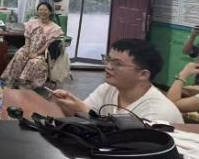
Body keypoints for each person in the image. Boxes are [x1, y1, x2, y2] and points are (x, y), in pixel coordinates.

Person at [54, 39, 183, 123]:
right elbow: (82, 121)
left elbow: (128, 147)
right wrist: (71, 108)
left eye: (118, 64)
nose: (108, 66)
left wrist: (85, 113)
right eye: (108, 59)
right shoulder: (107, 89)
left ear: (143, 74)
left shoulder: (156, 112)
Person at [1, 2, 62, 86]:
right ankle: (11, 79)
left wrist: (37, 53)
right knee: (19, 55)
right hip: (28, 47)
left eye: (45, 10)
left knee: (34, 62)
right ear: (37, 11)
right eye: (40, 10)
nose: (42, 12)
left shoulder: (54, 28)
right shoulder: (32, 23)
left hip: (41, 53)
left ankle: (26, 84)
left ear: (50, 12)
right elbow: (27, 36)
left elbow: (47, 44)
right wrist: (27, 48)